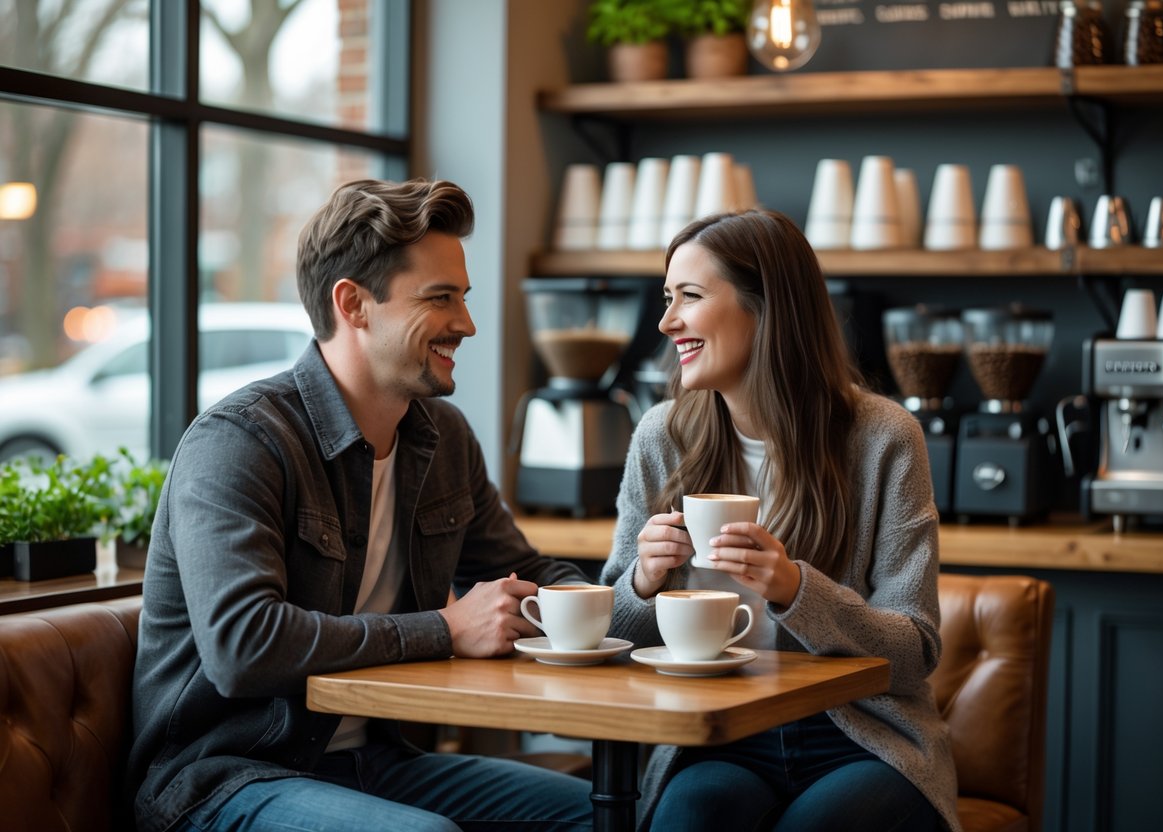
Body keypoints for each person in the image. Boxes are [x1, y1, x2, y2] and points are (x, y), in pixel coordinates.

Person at [126, 179, 594, 832]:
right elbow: (242, 645)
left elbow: (528, 574)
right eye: (441, 298)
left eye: (462, 297)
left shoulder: (442, 438)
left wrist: (633, 608)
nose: (467, 323)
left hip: (378, 760)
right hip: (225, 777)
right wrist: (445, 629)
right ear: (353, 303)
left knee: (596, 815)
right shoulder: (239, 441)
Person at [601, 209, 962, 832]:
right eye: (668, 298)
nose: (666, 322)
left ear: (766, 308)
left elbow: (915, 649)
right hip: (720, 735)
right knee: (685, 817)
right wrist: (642, 581)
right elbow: (615, 632)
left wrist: (798, 590)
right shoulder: (662, 436)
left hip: (858, 736)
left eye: (689, 296)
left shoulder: (883, 438)